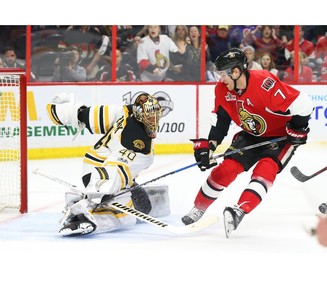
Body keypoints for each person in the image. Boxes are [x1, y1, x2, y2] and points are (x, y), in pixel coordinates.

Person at [181, 47, 314, 238]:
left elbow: (304, 103)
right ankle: (198, 208)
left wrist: (297, 128)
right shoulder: (222, 89)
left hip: (280, 138)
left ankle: (239, 211)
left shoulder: (264, 83)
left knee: (265, 170)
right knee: (225, 169)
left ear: (236, 72)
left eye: (223, 74)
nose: (220, 79)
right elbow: (221, 120)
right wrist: (209, 145)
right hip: (251, 135)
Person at [47, 92, 164, 236]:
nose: (154, 119)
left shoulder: (126, 111)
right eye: (150, 115)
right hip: (99, 173)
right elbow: (116, 169)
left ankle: (82, 201)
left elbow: (91, 116)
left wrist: (75, 113)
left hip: (105, 166)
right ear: (139, 114)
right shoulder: (139, 144)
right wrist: (104, 192)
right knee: (126, 217)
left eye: (155, 115)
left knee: (145, 207)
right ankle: (84, 216)